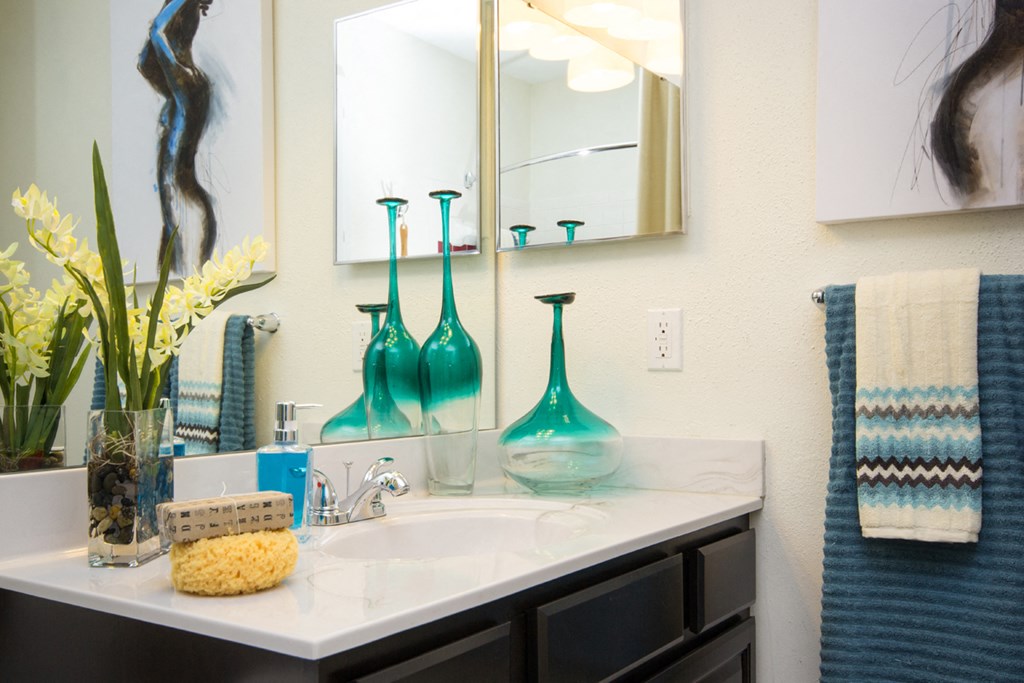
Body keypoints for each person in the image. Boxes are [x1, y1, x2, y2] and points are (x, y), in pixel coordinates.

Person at [138, 0, 217, 275]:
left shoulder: (189, 84)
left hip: (187, 213)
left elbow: (156, 32)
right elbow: (144, 60)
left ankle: (190, 266)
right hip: (184, 91)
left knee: (176, 180)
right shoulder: (178, 94)